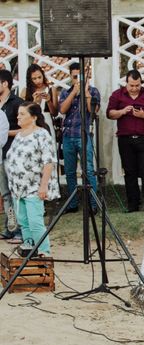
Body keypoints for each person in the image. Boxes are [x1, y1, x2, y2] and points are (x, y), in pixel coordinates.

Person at [4, 103, 60, 256]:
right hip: (18, 187)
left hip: (34, 186)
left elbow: (48, 162)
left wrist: (43, 186)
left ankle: (43, 250)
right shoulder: (20, 135)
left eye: (22, 114)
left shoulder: (42, 134)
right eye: (18, 114)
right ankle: (29, 246)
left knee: (35, 221)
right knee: (23, 220)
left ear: (33, 117)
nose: (18, 117)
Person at [58, 62, 100, 213]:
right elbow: (62, 109)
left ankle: (92, 205)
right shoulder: (65, 92)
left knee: (88, 170)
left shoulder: (93, 91)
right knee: (69, 171)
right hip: (68, 135)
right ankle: (73, 204)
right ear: (70, 76)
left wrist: (86, 91)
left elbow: (93, 111)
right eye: (75, 76)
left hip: (83, 135)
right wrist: (73, 92)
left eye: (80, 76)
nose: (77, 80)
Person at [107, 69, 144, 213]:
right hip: (125, 139)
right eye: (132, 85)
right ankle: (133, 205)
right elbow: (110, 113)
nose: (135, 88)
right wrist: (122, 111)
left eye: (137, 85)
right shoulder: (117, 95)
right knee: (129, 172)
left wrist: (143, 115)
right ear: (126, 83)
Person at [0, 69, 23, 243]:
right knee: (6, 194)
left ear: (5, 83)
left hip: (13, 153)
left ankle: (20, 231)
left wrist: (5, 133)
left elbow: (27, 128)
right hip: (0, 155)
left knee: (16, 193)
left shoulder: (17, 103)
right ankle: (10, 227)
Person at [21, 64, 59, 157]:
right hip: (32, 125)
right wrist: (34, 103)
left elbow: (55, 113)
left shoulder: (51, 89)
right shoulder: (25, 91)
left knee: (49, 153)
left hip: (47, 124)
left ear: (43, 75)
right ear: (30, 79)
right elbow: (22, 113)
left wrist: (49, 100)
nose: (38, 81)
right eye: (34, 79)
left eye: (39, 77)